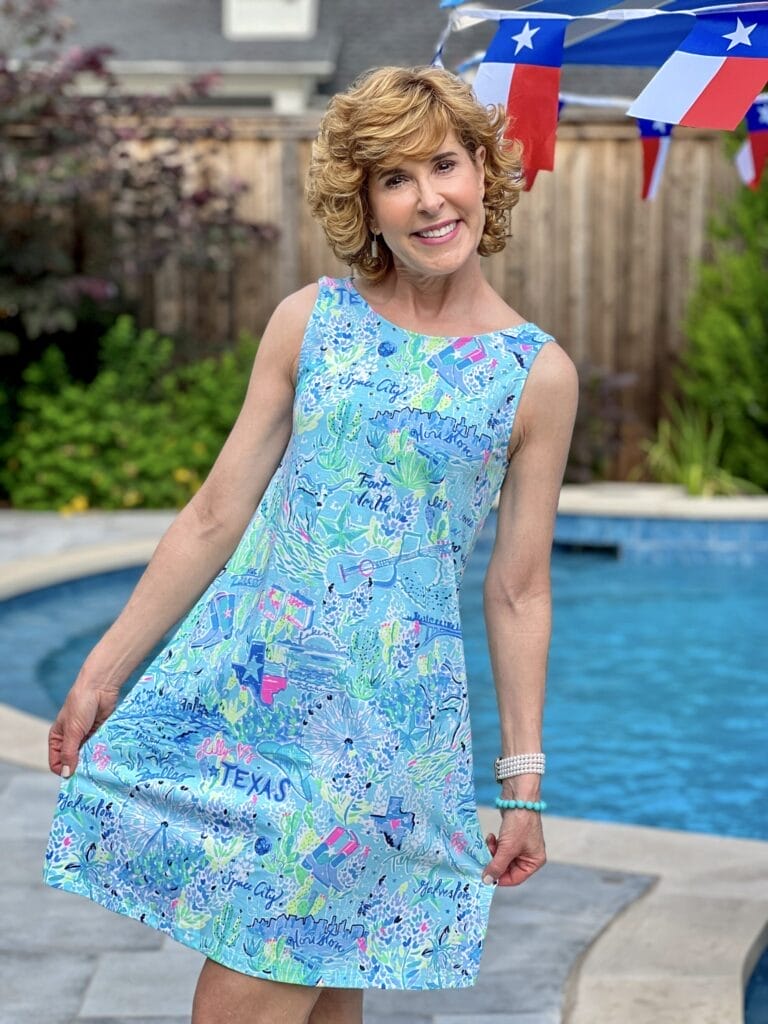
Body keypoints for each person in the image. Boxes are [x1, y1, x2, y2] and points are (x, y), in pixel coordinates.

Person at [43, 65, 578, 1024]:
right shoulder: (311, 324)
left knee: (247, 996)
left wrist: (523, 783)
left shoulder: (534, 375)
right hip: (256, 707)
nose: (429, 200)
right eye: (395, 179)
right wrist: (104, 667)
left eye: (445, 165)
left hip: (382, 739)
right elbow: (215, 512)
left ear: (485, 174)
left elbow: (519, 590)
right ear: (364, 203)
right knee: (318, 993)